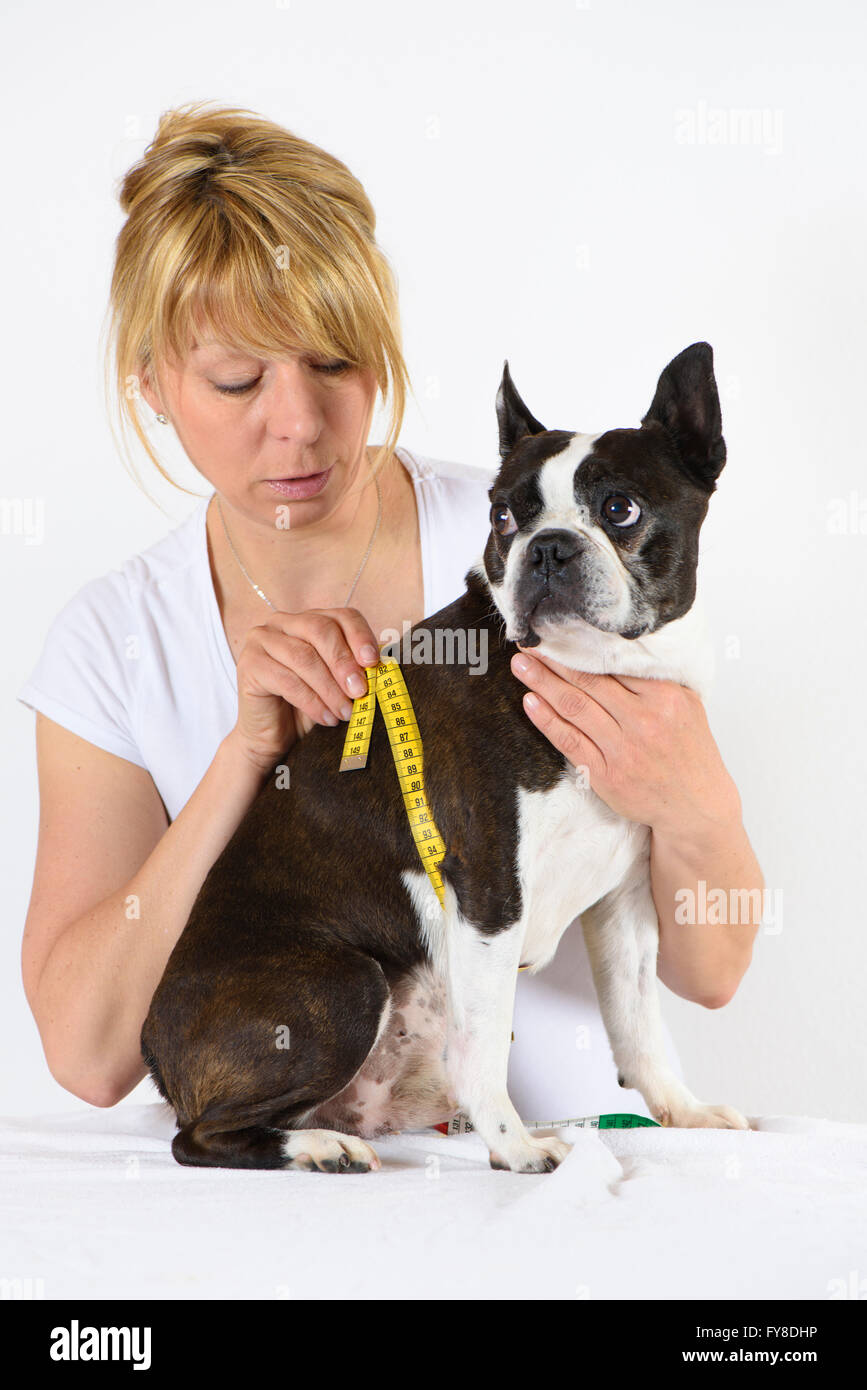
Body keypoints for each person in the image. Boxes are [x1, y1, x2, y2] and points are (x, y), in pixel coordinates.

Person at [17, 101, 763, 1127]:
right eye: (237, 378)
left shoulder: (518, 538)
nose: (298, 422)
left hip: (565, 1186)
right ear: (148, 380)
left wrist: (698, 801)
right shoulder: (115, 640)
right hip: (272, 1202)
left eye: (335, 361)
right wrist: (247, 755)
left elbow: (714, 971)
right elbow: (86, 1053)